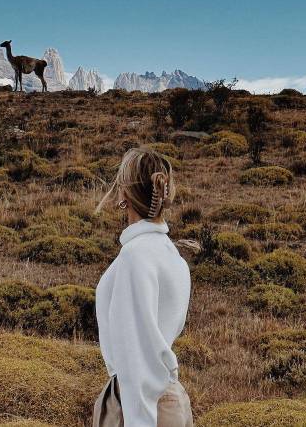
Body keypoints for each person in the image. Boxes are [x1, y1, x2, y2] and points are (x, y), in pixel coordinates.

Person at [93, 147, 193, 427]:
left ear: (124, 195)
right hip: (168, 400)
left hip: (139, 407)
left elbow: (137, 354)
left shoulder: (135, 257)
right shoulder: (172, 256)